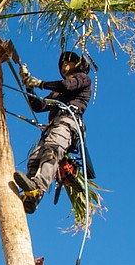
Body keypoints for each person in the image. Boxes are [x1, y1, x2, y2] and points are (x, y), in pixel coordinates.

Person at [14, 51, 93, 214]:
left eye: (68, 62)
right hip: (52, 127)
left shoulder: (83, 79)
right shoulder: (58, 94)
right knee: (34, 159)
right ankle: (31, 195)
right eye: (62, 63)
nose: (64, 65)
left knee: (52, 150)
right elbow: (39, 106)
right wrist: (28, 85)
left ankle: (39, 186)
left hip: (67, 123)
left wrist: (39, 83)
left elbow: (67, 85)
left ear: (78, 64)